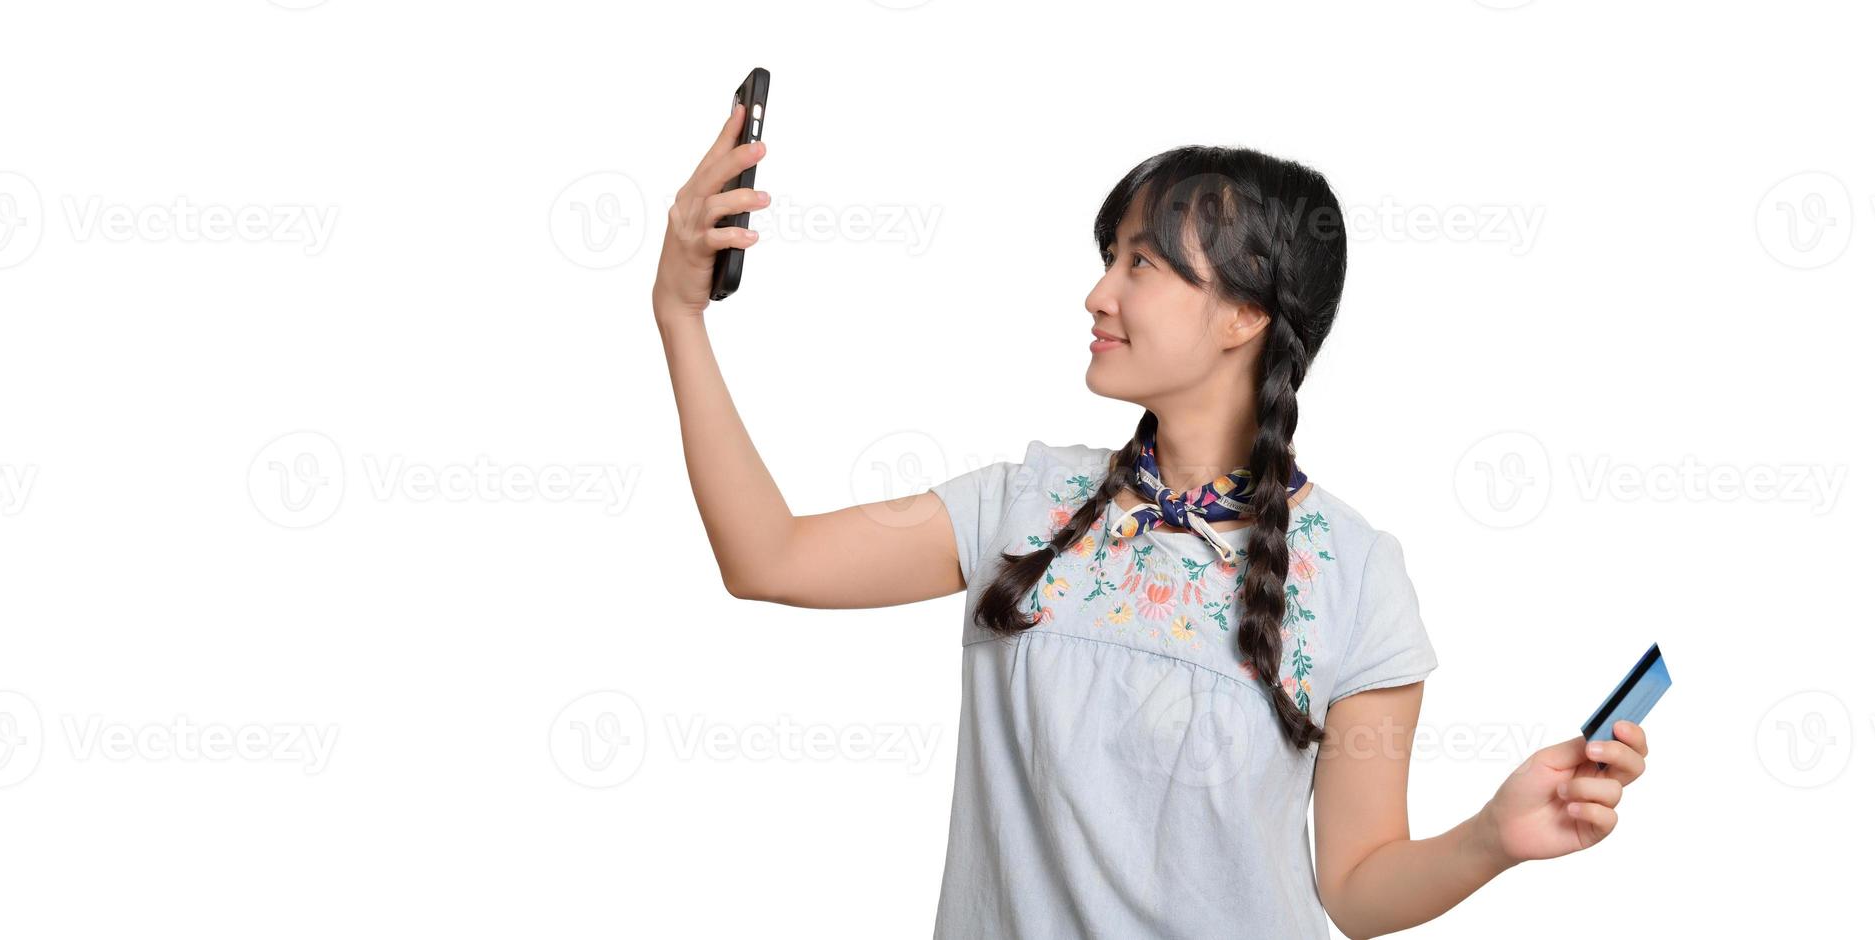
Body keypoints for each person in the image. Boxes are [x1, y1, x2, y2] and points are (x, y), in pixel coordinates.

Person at [650, 101, 1651, 939]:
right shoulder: (1022, 503)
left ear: (1242, 315)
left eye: (1140, 264)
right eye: (1109, 257)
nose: (1097, 291)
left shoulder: (1354, 573)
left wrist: (1489, 835)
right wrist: (678, 314)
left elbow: (1353, 885)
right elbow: (768, 555)